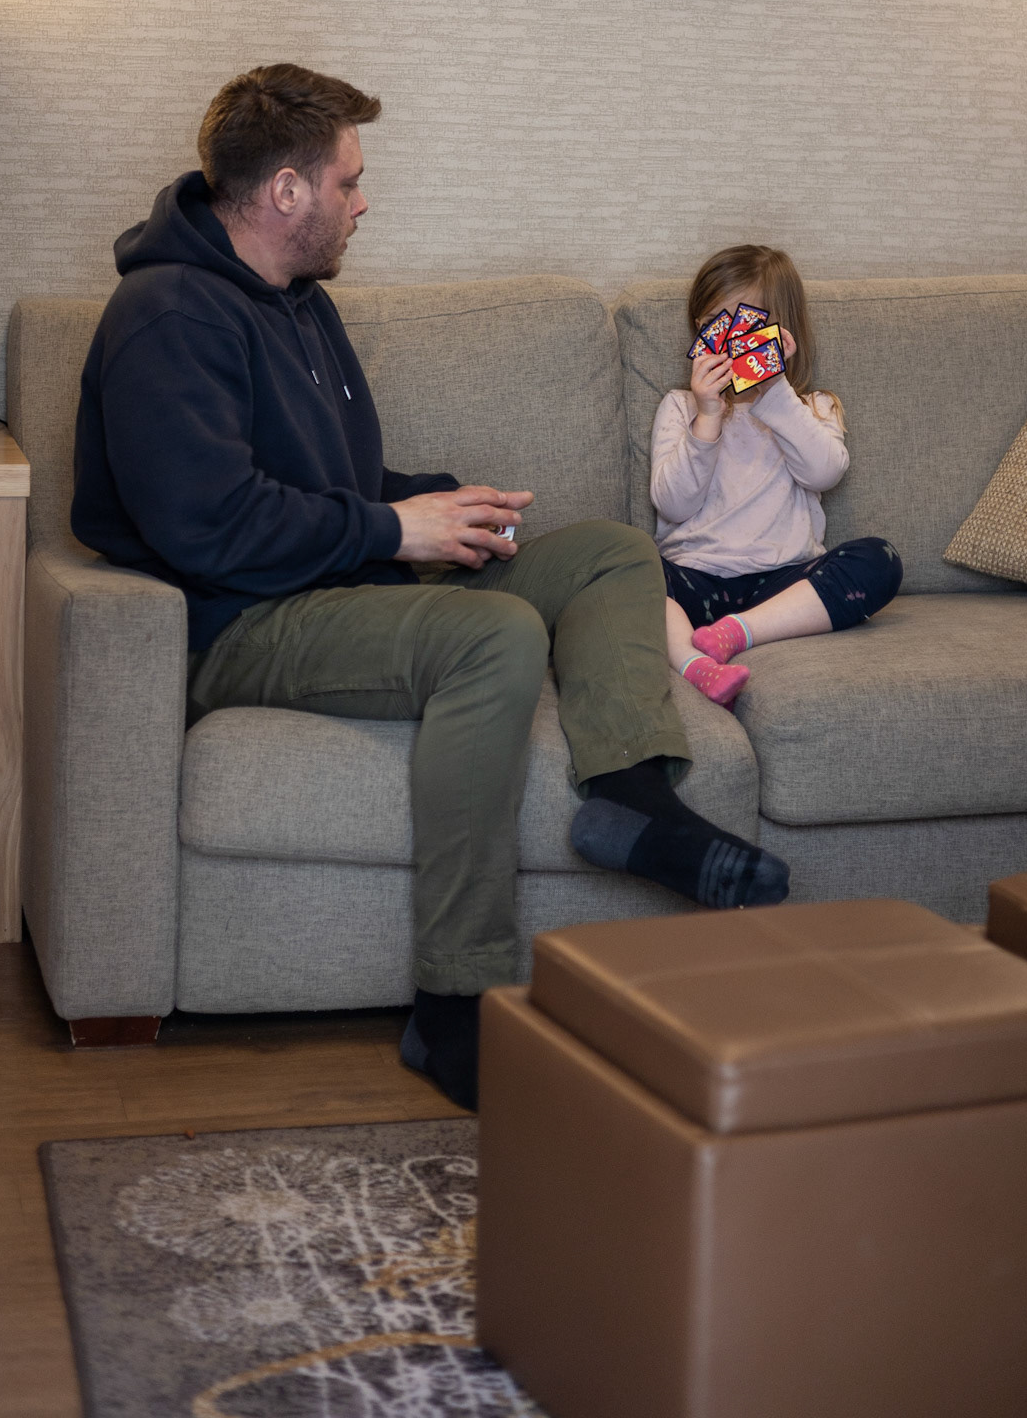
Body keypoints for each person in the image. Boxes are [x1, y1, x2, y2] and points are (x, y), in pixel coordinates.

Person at [71, 66, 789, 1112]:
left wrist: (440, 506)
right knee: (494, 634)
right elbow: (209, 526)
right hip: (238, 619)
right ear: (285, 191)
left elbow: (333, 481)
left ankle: (633, 803)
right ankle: (455, 1001)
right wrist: (393, 529)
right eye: (348, 181)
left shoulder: (300, 306)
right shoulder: (166, 316)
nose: (364, 202)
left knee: (609, 552)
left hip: (335, 574)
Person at [655, 245, 903, 707]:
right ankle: (695, 664)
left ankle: (736, 632)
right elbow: (673, 504)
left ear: (782, 334)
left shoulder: (812, 407)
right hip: (694, 580)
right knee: (626, 568)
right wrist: (706, 418)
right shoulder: (680, 407)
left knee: (880, 560)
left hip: (783, 589)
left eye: (745, 327)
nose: (729, 343)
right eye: (714, 324)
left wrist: (776, 393)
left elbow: (824, 473)